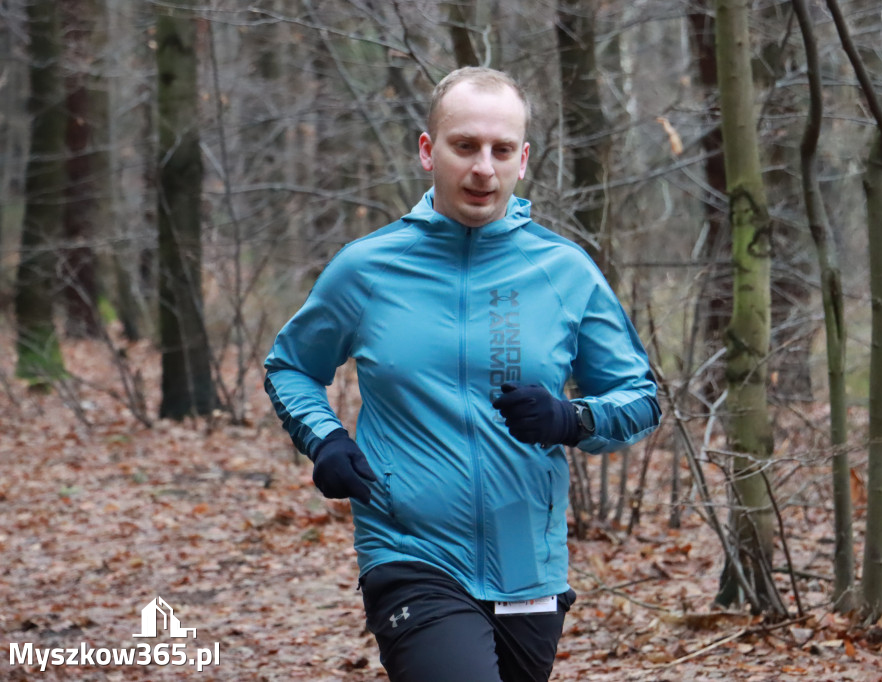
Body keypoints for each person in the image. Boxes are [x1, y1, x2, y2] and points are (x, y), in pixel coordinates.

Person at [264, 66, 661, 682]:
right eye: (465, 146)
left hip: (530, 565)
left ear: (522, 159)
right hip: (409, 555)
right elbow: (291, 365)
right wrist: (326, 438)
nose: (483, 168)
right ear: (429, 151)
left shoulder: (564, 272)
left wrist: (572, 418)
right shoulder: (369, 268)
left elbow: (639, 399)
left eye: (501, 150)